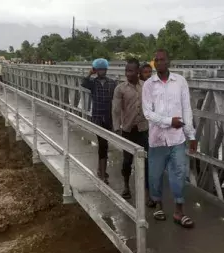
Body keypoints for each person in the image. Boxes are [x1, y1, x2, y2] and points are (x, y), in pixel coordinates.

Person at [142, 49, 196, 228]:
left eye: (162, 59)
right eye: (156, 60)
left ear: (168, 61)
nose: (158, 63)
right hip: (157, 139)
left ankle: (179, 211)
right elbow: (147, 112)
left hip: (177, 138)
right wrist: (169, 121)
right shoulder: (149, 85)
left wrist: (191, 135)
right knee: (155, 174)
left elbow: (186, 108)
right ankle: (158, 204)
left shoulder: (180, 81)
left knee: (179, 173)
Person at [112, 58, 153, 204]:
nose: (128, 73)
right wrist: (117, 129)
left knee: (147, 161)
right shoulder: (120, 89)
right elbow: (116, 110)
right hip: (128, 130)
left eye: (131, 70)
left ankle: (147, 194)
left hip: (143, 129)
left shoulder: (146, 86)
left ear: (137, 71)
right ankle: (126, 186)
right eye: (126, 70)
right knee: (127, 160)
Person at [81, 58, 117, 183]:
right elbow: (83, 83)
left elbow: (116, 99)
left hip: (108, 117)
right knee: (103, 144)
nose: (101, 71)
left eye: (103, 69)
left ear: (106, 70)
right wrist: (90, 73)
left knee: (104, 144)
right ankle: (102, 172)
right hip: (97, 117)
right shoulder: (93, 83)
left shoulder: (112, 83)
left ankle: (101, 169)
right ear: (96, 70)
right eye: (99, 69)